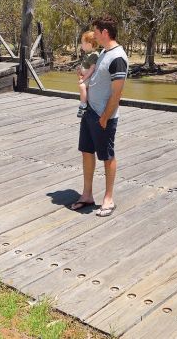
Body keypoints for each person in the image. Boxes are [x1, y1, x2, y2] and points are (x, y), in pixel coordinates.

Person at [69, 15, 128, 217]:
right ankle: (87, 195)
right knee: (86, 151)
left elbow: (117, 93)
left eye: (95, 31)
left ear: (104, 32)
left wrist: (104, 117)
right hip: (90, 113)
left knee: (107, 156)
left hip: (104, 116)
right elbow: (96, 77)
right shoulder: (103, 52)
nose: (93, 35)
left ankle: (108, 199)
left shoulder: (118, 57)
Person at [76, 31, 99, 117]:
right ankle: (86, 103)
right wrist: (80, 72)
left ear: (89, 44)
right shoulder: (87, 54)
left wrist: (83, 79)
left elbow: (92, 69)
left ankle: (83, 105)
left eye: (83, 43)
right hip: (85, 77)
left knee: (82, 86)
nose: (81, 45)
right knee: (83, 86)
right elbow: (86, 66)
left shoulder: (93, 55)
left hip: (89, 78)